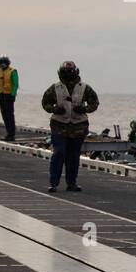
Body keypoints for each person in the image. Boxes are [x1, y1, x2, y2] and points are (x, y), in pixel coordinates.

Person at [41, 61, 99, 193]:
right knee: (59, 153)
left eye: (69, 72)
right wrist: (55, 109)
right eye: (65, 72)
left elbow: (94, 103)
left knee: (73, 156)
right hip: (59, 125)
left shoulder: (84, 88)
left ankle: (71, 183)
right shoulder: (55, 88)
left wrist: (83, 109)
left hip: (78, 127)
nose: (67, 74)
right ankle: (53, 183)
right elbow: (45, 103)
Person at [0, 56, 19, 141]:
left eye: (4, 63)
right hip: (2, 96)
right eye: (1, 64)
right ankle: (8, 133)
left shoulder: (13, 72)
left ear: (8, 63)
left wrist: (13, 95)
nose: (2, 65)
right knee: (4, 116)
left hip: (9, 96)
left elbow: (16, 85)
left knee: (9, 116)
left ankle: (12, 134)